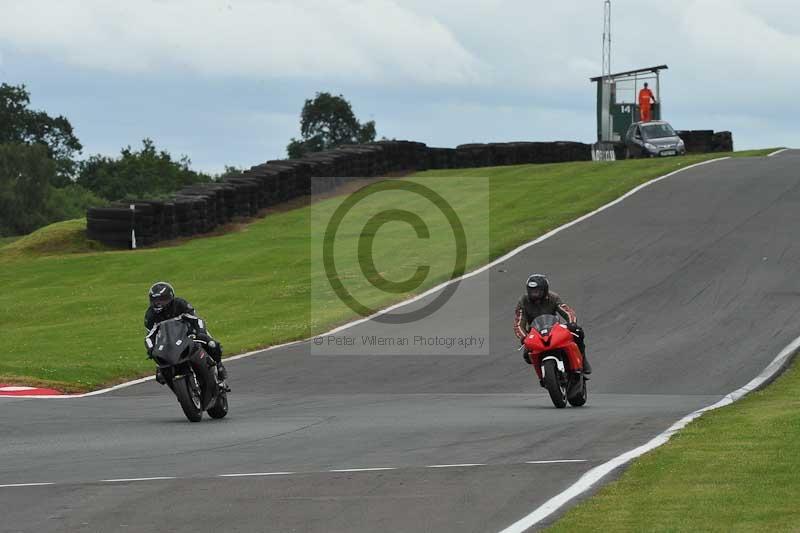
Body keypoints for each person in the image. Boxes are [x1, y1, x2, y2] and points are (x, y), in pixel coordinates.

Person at [144, 282, 228, 384]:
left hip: (189, 333)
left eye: (162, 300)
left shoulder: (179, 304)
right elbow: (149, 336)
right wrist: (151, 349)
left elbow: (196, 320)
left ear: (170, 298)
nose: (158, 304)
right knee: (160, 375)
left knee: (211, 344)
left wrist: (200, 332)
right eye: (155, 300)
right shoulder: (150, 315)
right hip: (169, 342)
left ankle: (219, 365)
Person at [513, 274, 591, 374]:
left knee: (578, 332)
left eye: (537, 291)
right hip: (535, 333)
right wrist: (524, 337)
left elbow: (567, 311)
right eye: (532, 291)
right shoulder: (523, 301)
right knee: (527, 356)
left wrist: (572, 323)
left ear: (545, 289)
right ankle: (543, 374)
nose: (534, 294)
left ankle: (583, 360)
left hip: (554, 329)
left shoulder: (553, 297)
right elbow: (519, 323)